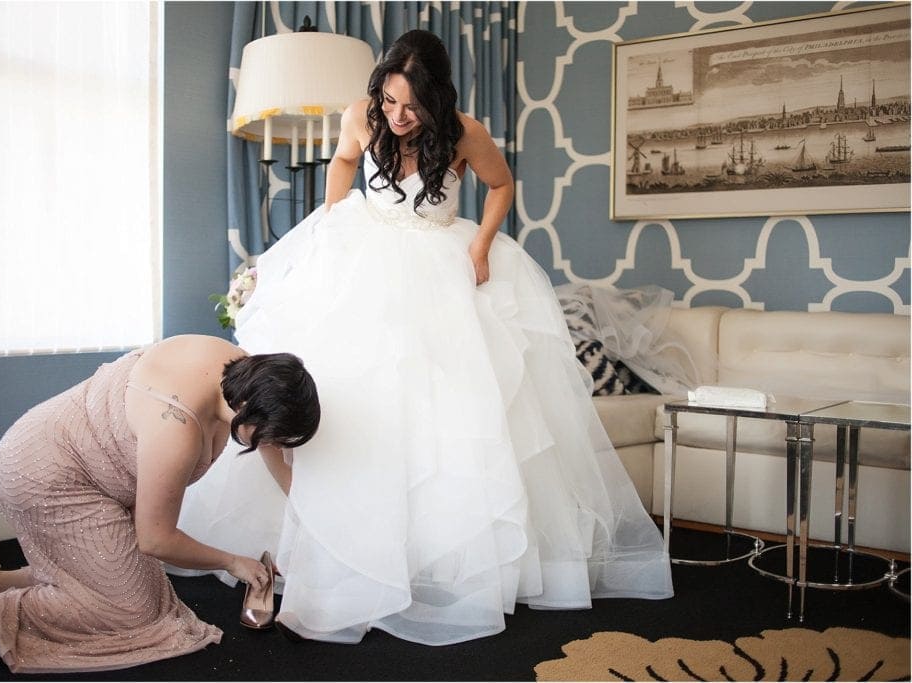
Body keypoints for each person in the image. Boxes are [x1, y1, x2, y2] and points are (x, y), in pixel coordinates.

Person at [174, 29, 673, 646]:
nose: (397, 116)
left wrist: (483, 243)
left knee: (446, 416)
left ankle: (430, 563)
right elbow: (343, 162)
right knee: (350, 400)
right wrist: (331, 221)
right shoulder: (362, 115)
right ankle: (328, 547)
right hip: (363, 261)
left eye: (410, 105)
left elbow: (501, 186)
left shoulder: (464, 132)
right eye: (388, 101)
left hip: (441, 270)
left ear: (436, 99)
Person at [0, 335, 320, 673]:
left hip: (62, 450)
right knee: (132, 612)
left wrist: (308, 514)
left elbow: (268, 446)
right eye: (272, 436)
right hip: (49, 477)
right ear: (248, 412)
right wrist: (232, 562)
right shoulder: (176, 430)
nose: (276, 447)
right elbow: (155, 539)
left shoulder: (239, 367)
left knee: (140, 588)